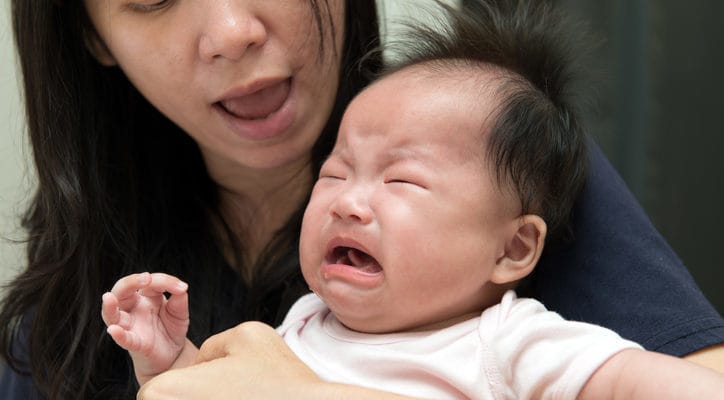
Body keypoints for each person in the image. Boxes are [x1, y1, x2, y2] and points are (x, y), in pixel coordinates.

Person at [1, 0, 723, 399]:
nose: (231, 32)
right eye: (334, 175)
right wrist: (170, 365)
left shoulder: (496, 166)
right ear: (91, 34)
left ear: (514, 246)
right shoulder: (313, 317)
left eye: (401, 181)